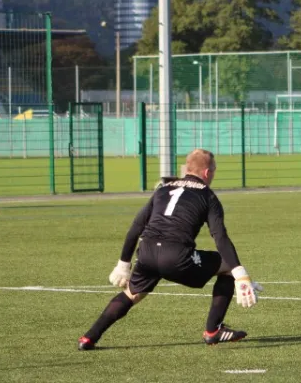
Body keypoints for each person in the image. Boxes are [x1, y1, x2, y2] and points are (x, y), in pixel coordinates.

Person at [77, 149, 262, 350]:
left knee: (132, 294)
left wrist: (123, 264)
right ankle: (213, 330)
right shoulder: (208, 196)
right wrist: (240, 274)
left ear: (187, 169)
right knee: (226, 267)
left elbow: (136, 227)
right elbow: (220, 237)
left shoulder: (163, 189)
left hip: (147, 252)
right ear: (207, 173)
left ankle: (89, 338)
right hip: (175, 256)